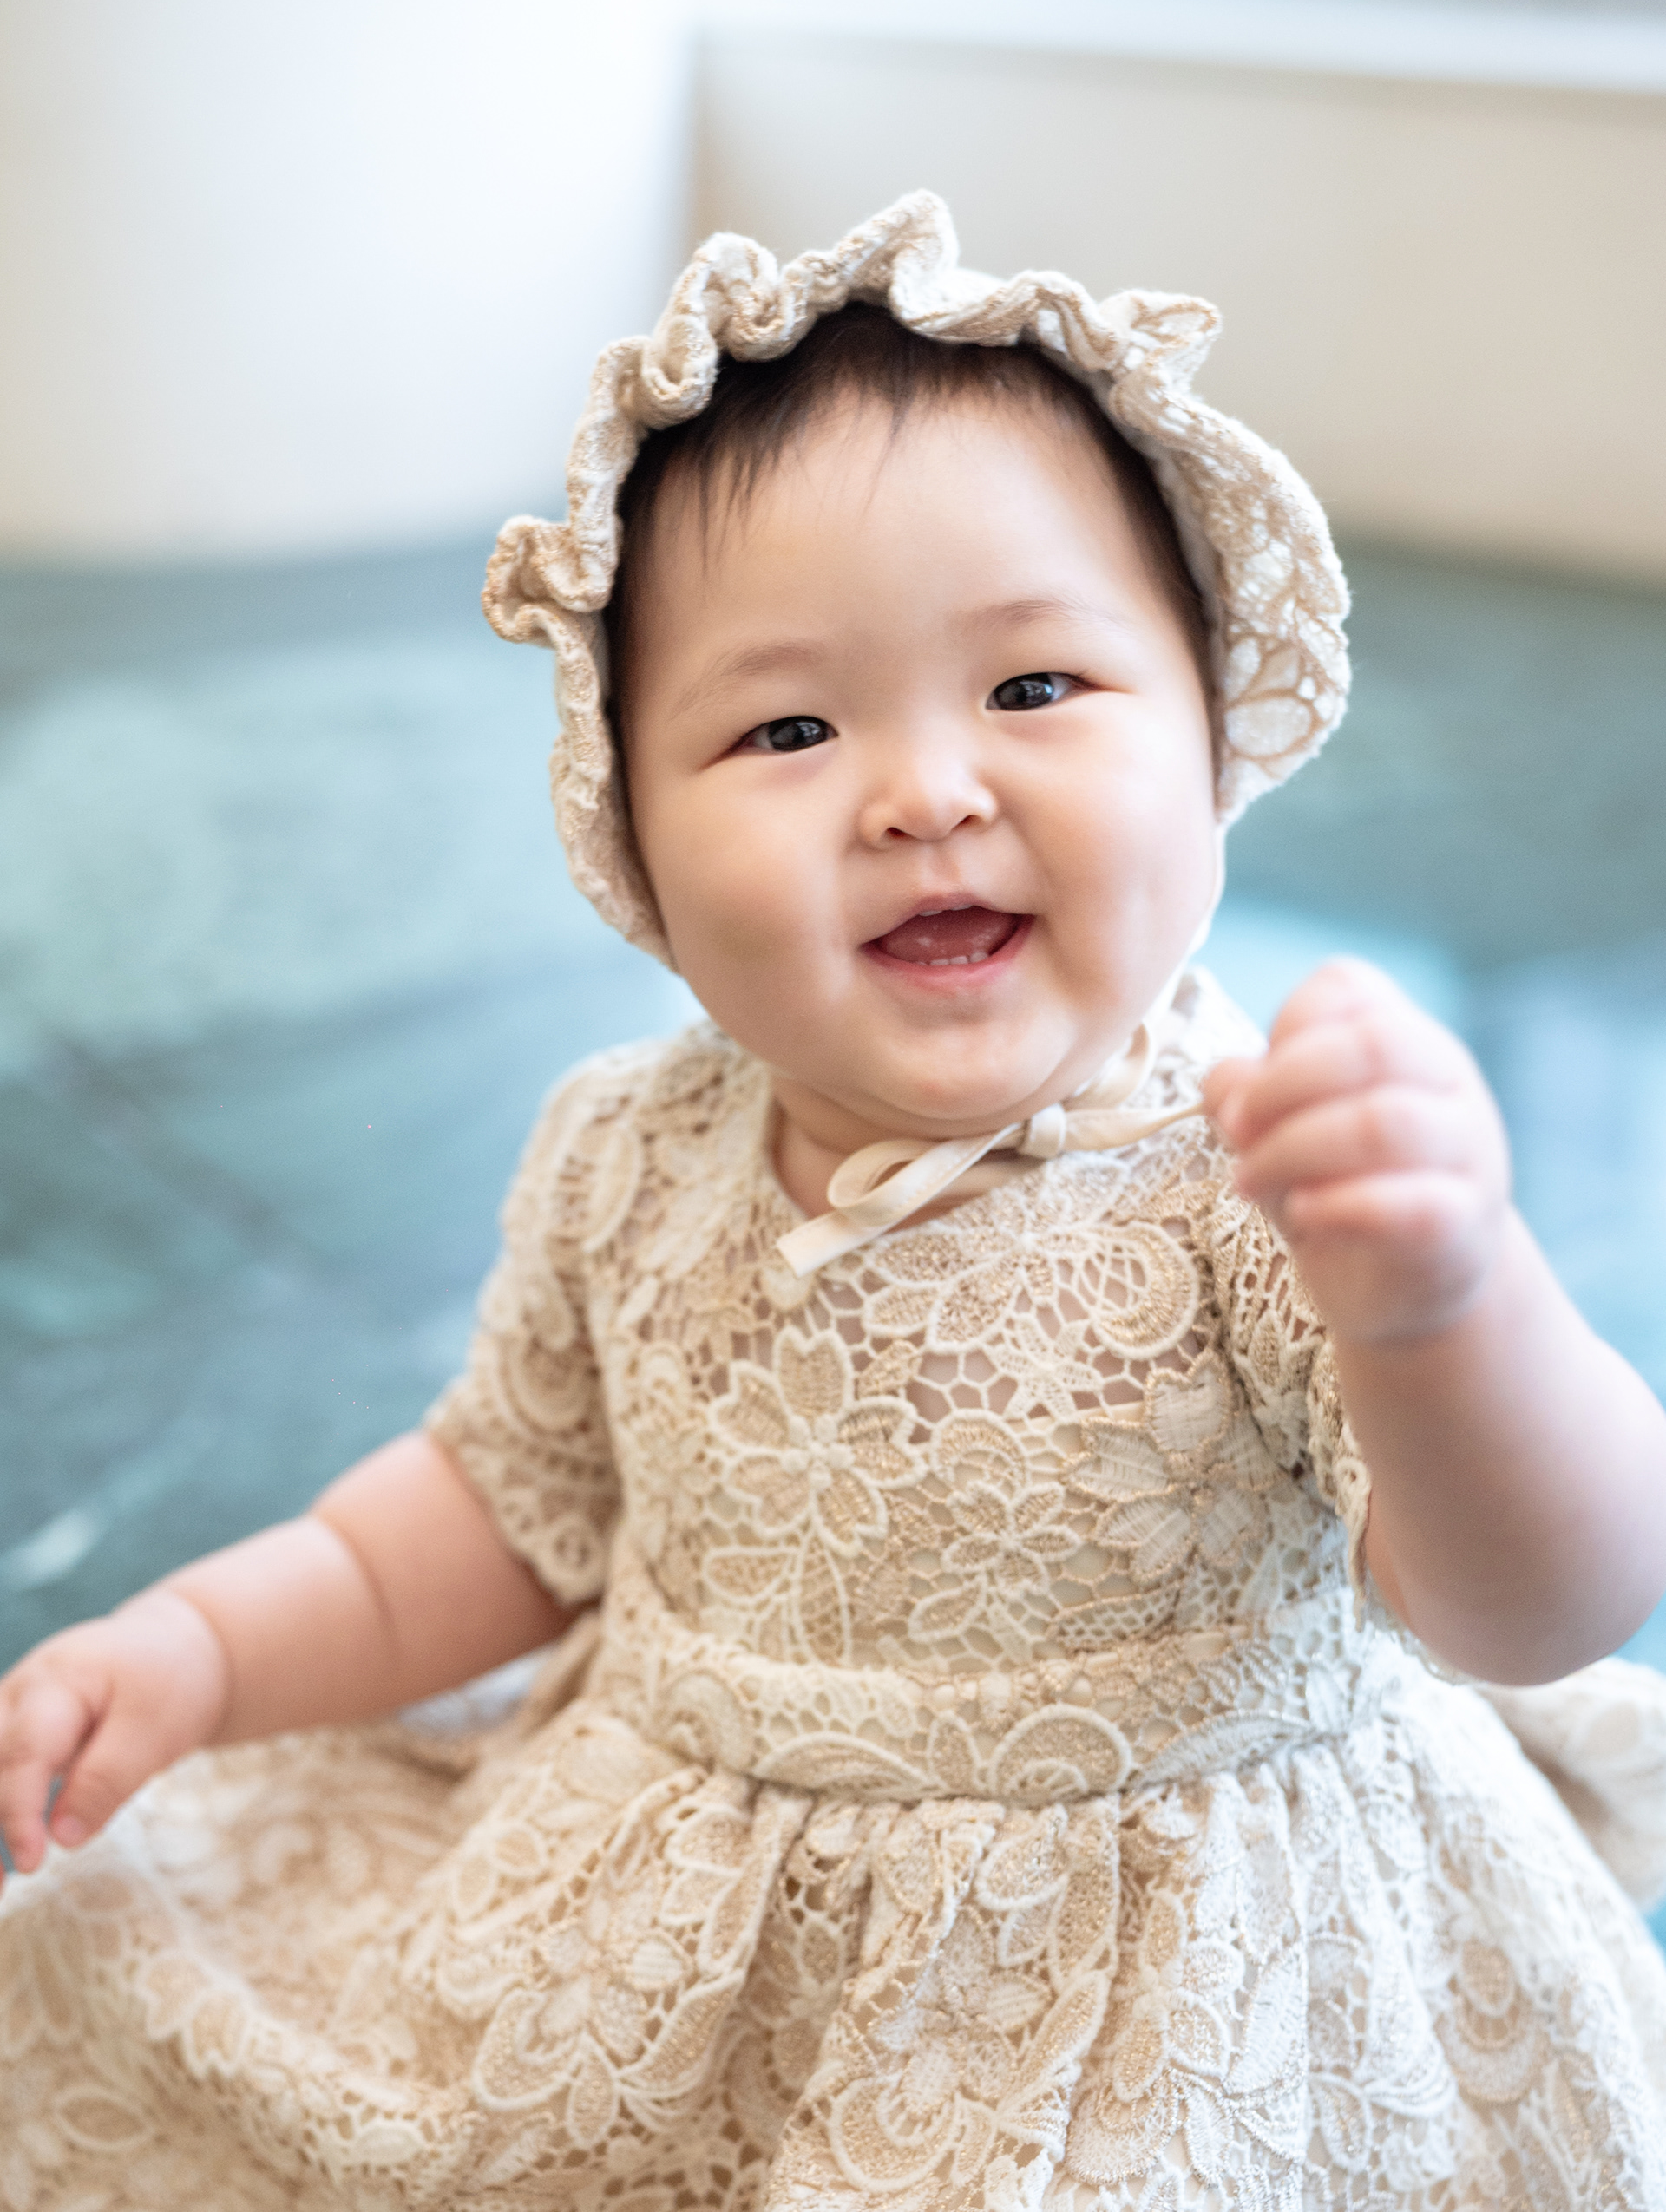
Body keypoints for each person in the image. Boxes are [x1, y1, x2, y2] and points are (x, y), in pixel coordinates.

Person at [3, 190, 1666, 2209]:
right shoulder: (630, 1151)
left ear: (1213, 725)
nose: (926, 792)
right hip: (702, 1963)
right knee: (116, 1958)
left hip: (1172, 1995)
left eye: (1035, 685)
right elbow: (488, 1510)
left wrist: (1444, 1306)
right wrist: (200, 1648)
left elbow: (1539, 1598)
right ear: (627, 838)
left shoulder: (1257, 1186)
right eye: (787, 726)